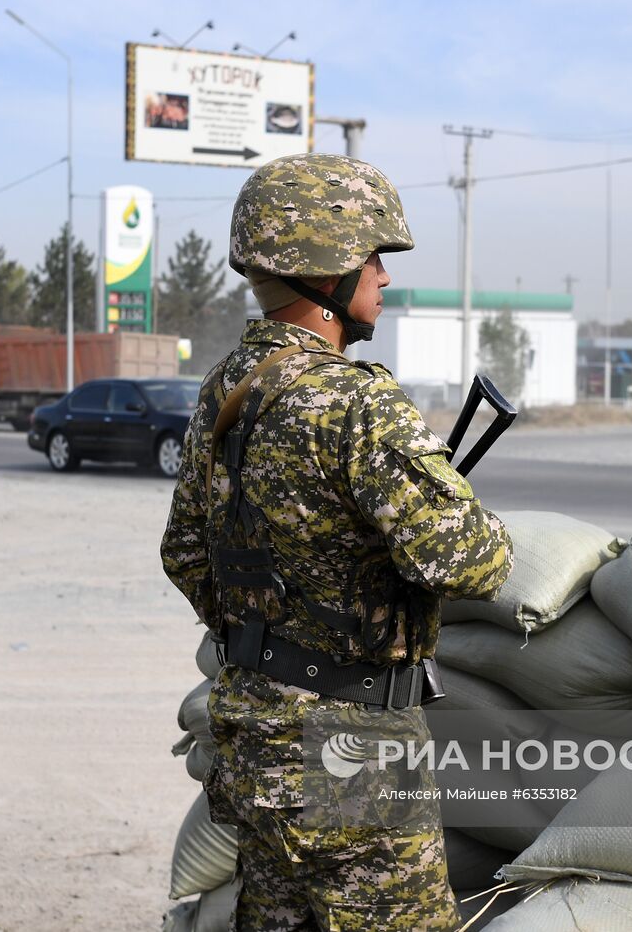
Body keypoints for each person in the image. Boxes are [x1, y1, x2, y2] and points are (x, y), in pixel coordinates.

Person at [161, 153, 511, 931]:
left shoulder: (222, 390)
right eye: (371, 257)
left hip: (256, 739)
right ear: (326, 271)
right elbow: (473, 558)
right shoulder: (357, 402)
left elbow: (185, 553)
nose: (383, 277)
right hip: (354, 756)